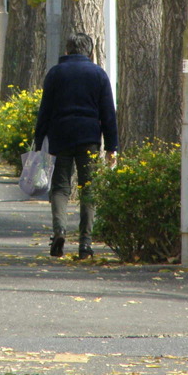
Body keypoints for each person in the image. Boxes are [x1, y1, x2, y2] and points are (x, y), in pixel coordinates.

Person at [33, 33, 118, 260]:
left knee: (60, 187)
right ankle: (85, 244)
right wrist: (112, 146)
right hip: (89, 138)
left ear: (67, 50)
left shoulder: (55, 73)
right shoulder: (98, 74)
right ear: (90, 51)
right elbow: (108, 113)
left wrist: (39, 142)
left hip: (60, 136)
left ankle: (59, 231)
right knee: (88, 188)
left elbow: (45, 111)